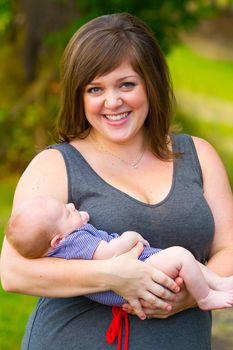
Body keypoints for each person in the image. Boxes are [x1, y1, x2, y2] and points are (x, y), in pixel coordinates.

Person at [1, 12, 233, 350]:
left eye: (126, 84)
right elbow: (13, 272)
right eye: (95, 88)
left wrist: (183, 297)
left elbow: (229, 248)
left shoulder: (199, 156)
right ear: (79, 97)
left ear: (150, 84)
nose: (113, 102)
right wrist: (114, 277)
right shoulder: (55, 165)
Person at [6, 195, 233, 311]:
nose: (71, 206)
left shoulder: (65, 243)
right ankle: (205, 298)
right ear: (58, 240)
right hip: (135, 274)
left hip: (135, 272)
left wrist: (77, 219)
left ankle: (218, 283)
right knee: (181, 256)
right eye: (66, 213)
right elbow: (108, 253)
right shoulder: (74, 241)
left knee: (187, 260)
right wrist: (131, 237)